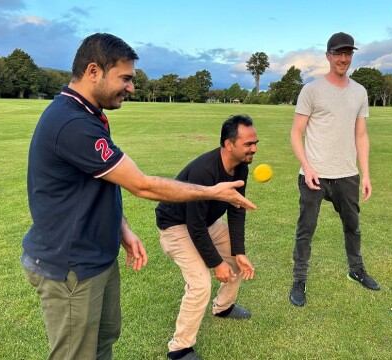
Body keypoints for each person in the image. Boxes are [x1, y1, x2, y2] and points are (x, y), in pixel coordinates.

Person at [21, 33, 256, 360]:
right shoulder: (71, 122)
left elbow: (100, 183)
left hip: (96, 257)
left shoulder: (90, 116)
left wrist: (123, 228)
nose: (131, 87)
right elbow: (141, 185)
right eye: (125, 78)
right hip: (70, 266)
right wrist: (213, 192)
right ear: (93, 71)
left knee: (103, 344)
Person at [155, 115, 258, 360]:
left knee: (236, 260)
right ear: (228, 144)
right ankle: (179, 349)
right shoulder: (204, 171)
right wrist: (216, 264)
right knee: (201, 283)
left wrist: (239, 252)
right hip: (176, 227)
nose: (254, 148)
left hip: (206, 223)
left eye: (255, 143)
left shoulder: (241, 166)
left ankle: (223, 307)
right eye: (248, 144)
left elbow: (236, 209)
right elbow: (194, 226)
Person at [289, 32, 380, 307]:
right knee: (306, 230)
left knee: (353, 227)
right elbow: (296, 133)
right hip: (314, 176)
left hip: (347, 175)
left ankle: (356, 270)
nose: (343, 59)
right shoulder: (312, 90)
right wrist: (307, 167)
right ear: (328, 56)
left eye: (347, 53)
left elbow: (361, 136)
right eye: (338, 53)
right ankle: (299, 280)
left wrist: (365, 174)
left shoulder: (360, 92)